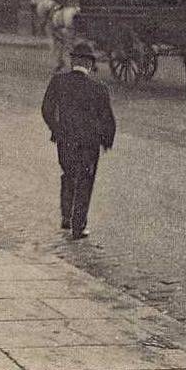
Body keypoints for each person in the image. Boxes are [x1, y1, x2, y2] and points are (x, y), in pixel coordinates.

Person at [40, 42, 116, 241]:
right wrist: (107, 140)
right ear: (89, 65)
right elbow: (108, 119)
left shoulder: (58, 81)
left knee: (68, 175)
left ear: (73, 61)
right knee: (85, 181)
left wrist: (56, 130)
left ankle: (66, 217)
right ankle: (78, 226)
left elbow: (46, 109)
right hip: (89, 145)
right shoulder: (99, 89)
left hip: (65, 142)